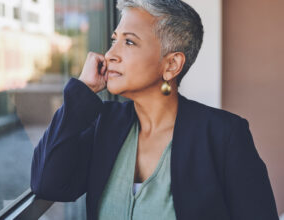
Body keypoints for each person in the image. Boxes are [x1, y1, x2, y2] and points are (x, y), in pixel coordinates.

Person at [30, 0, 279, 219]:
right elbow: (48, 184)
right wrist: (82, 92)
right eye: (114, 40)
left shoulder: (224, 135)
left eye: (129, 42)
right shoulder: (105, 124)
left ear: (171, 65)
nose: (110, 54)